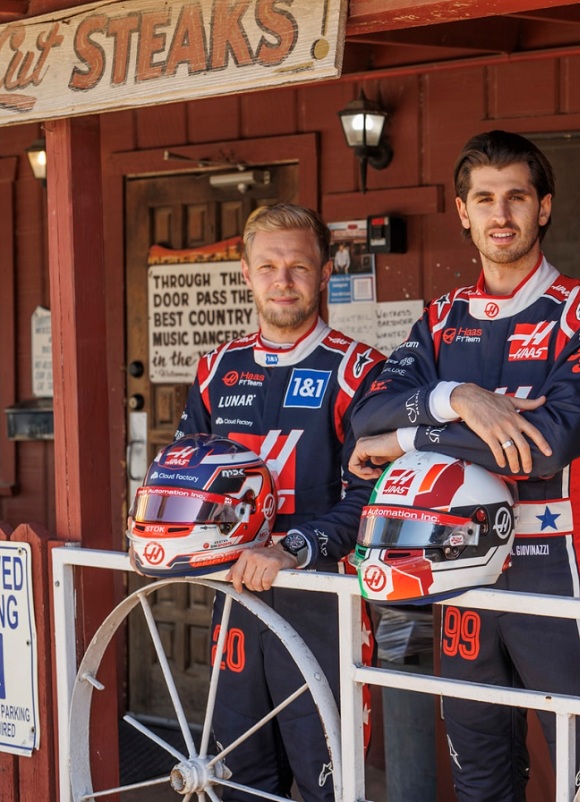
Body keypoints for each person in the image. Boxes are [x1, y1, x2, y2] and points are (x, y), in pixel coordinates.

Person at [349, 130, 580, 802]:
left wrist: (410, 440)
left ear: (543, 208)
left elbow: (550, 444)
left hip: (554, 561)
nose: (500, 214)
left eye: (516, 197)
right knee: (480, 771)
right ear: (462, 211)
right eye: (484, 199)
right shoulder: (442, 320)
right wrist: (460, 398)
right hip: (453, 564)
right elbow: (366, 416)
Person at [172, 203, 386, 800]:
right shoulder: (217, 368)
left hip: (322, 598)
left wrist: (294, 547)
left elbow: (376, 497)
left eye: (298, 266)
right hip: (233, 597)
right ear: (246, 272)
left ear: (323, 274)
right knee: (238, 781)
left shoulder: (361, 369)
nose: (283, 280)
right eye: (268, 266)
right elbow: (185, 477)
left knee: (330, 783)